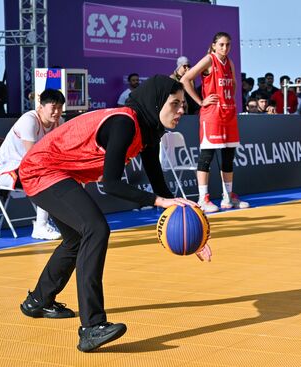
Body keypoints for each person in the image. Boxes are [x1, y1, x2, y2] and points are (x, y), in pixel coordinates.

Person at [17, 75, 212, 353]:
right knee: (96, 229)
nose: (182, 110)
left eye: (183, 104)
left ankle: (38, 301)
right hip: (42, 170)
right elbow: (111, 184)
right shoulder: (124, 123)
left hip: (59, 172)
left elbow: (157, 179)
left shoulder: (149, 129)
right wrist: (158, 202)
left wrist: (194, 233)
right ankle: (91, 327)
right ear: (157, 102)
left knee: (75, 239)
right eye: (176, 103)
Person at [181, 32, 249, 213]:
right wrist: (200, 101)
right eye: (221, 45)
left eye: (227, 45)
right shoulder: (209, 60)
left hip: (229, 114)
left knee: (228, 157)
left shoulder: (230, 63)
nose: (225, 48)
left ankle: (228, 197)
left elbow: (233, 85)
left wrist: (229, 101)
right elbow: (185, 79)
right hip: (212, 115)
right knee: (207, 156)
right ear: (213, 45)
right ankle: (203, 198)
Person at [0, 89, 65, 240]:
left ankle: (69, 221)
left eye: (60, 107)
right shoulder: (29, 120)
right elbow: (32, 158)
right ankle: (40, 226)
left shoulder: (60, 122)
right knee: (45, 177)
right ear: (41, 106)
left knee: (67, 175)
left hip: (30, 168)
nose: (57, 112)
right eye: (53, 107)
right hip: (7, 170)